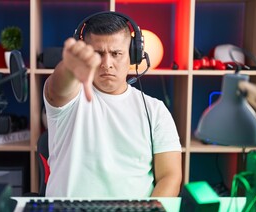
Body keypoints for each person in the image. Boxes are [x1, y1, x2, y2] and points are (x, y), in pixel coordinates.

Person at [43, 11, 182, 198]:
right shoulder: (70, 97)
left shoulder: (155, 110)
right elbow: (58, 88)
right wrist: (70, 66)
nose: (107, 64)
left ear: (133, 56)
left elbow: (170, 176)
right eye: (97, 54)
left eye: (116, 53)